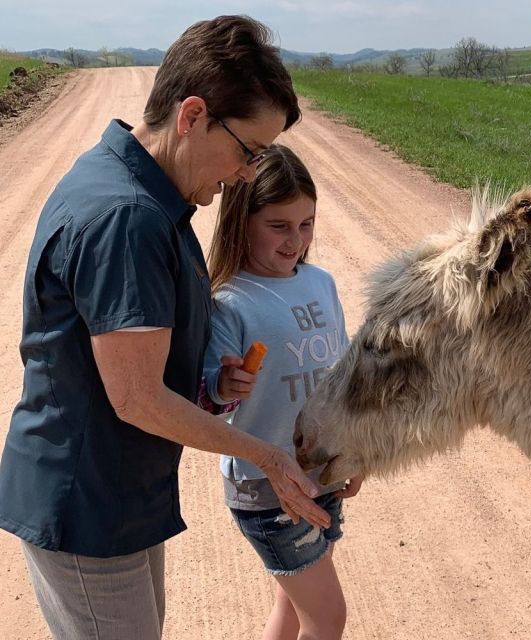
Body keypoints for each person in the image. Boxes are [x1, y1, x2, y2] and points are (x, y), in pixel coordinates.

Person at [0, 15, 330, 640]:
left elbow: (141, 365)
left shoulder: (138, 190)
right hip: (89, 507)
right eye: (247, 152)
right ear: (193, 114)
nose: (243, 175)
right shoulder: (127, 217)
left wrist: (210, 382)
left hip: (114, 498)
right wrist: (264, 456)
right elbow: (137, 397)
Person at [201, 143, 363, 640]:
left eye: (306, 223)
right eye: (279, 225)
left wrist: (356, 454)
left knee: (291, 607)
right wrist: (225, 385)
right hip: (267, 488)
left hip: (322, 472)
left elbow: (344, 377)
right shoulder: (230, 302)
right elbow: (210, 399)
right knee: (327, 617)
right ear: (241, 220)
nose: (296, 239)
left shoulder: (322, 283)